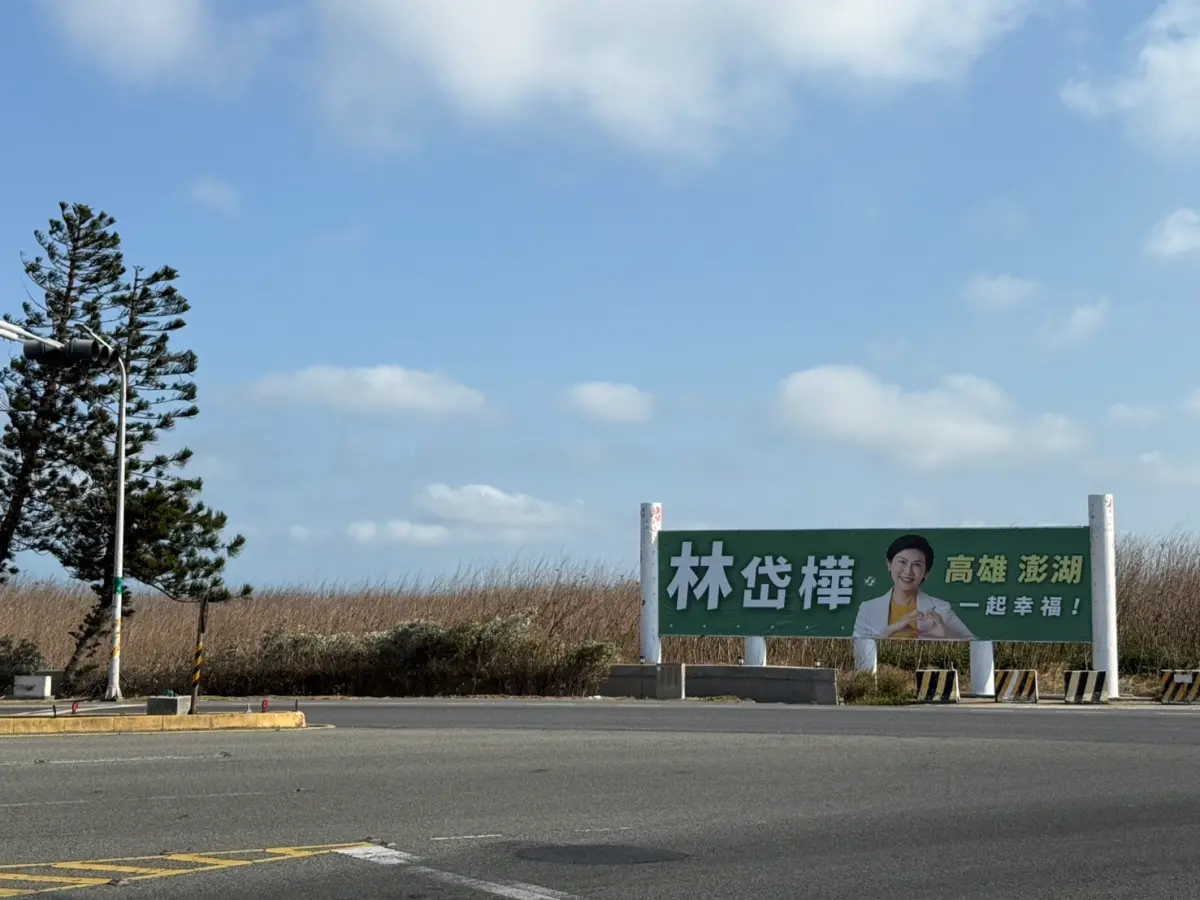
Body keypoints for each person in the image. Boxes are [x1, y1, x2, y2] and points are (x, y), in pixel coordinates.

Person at [852, 533, 974, 644]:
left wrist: (947, 633)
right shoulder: (867, 610)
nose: (908, 571)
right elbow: (855, 649)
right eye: (902, 562)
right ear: (889, 564)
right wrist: (891, 630)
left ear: (926, 572)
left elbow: (974, 644)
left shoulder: (941, 609)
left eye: (917, 565)